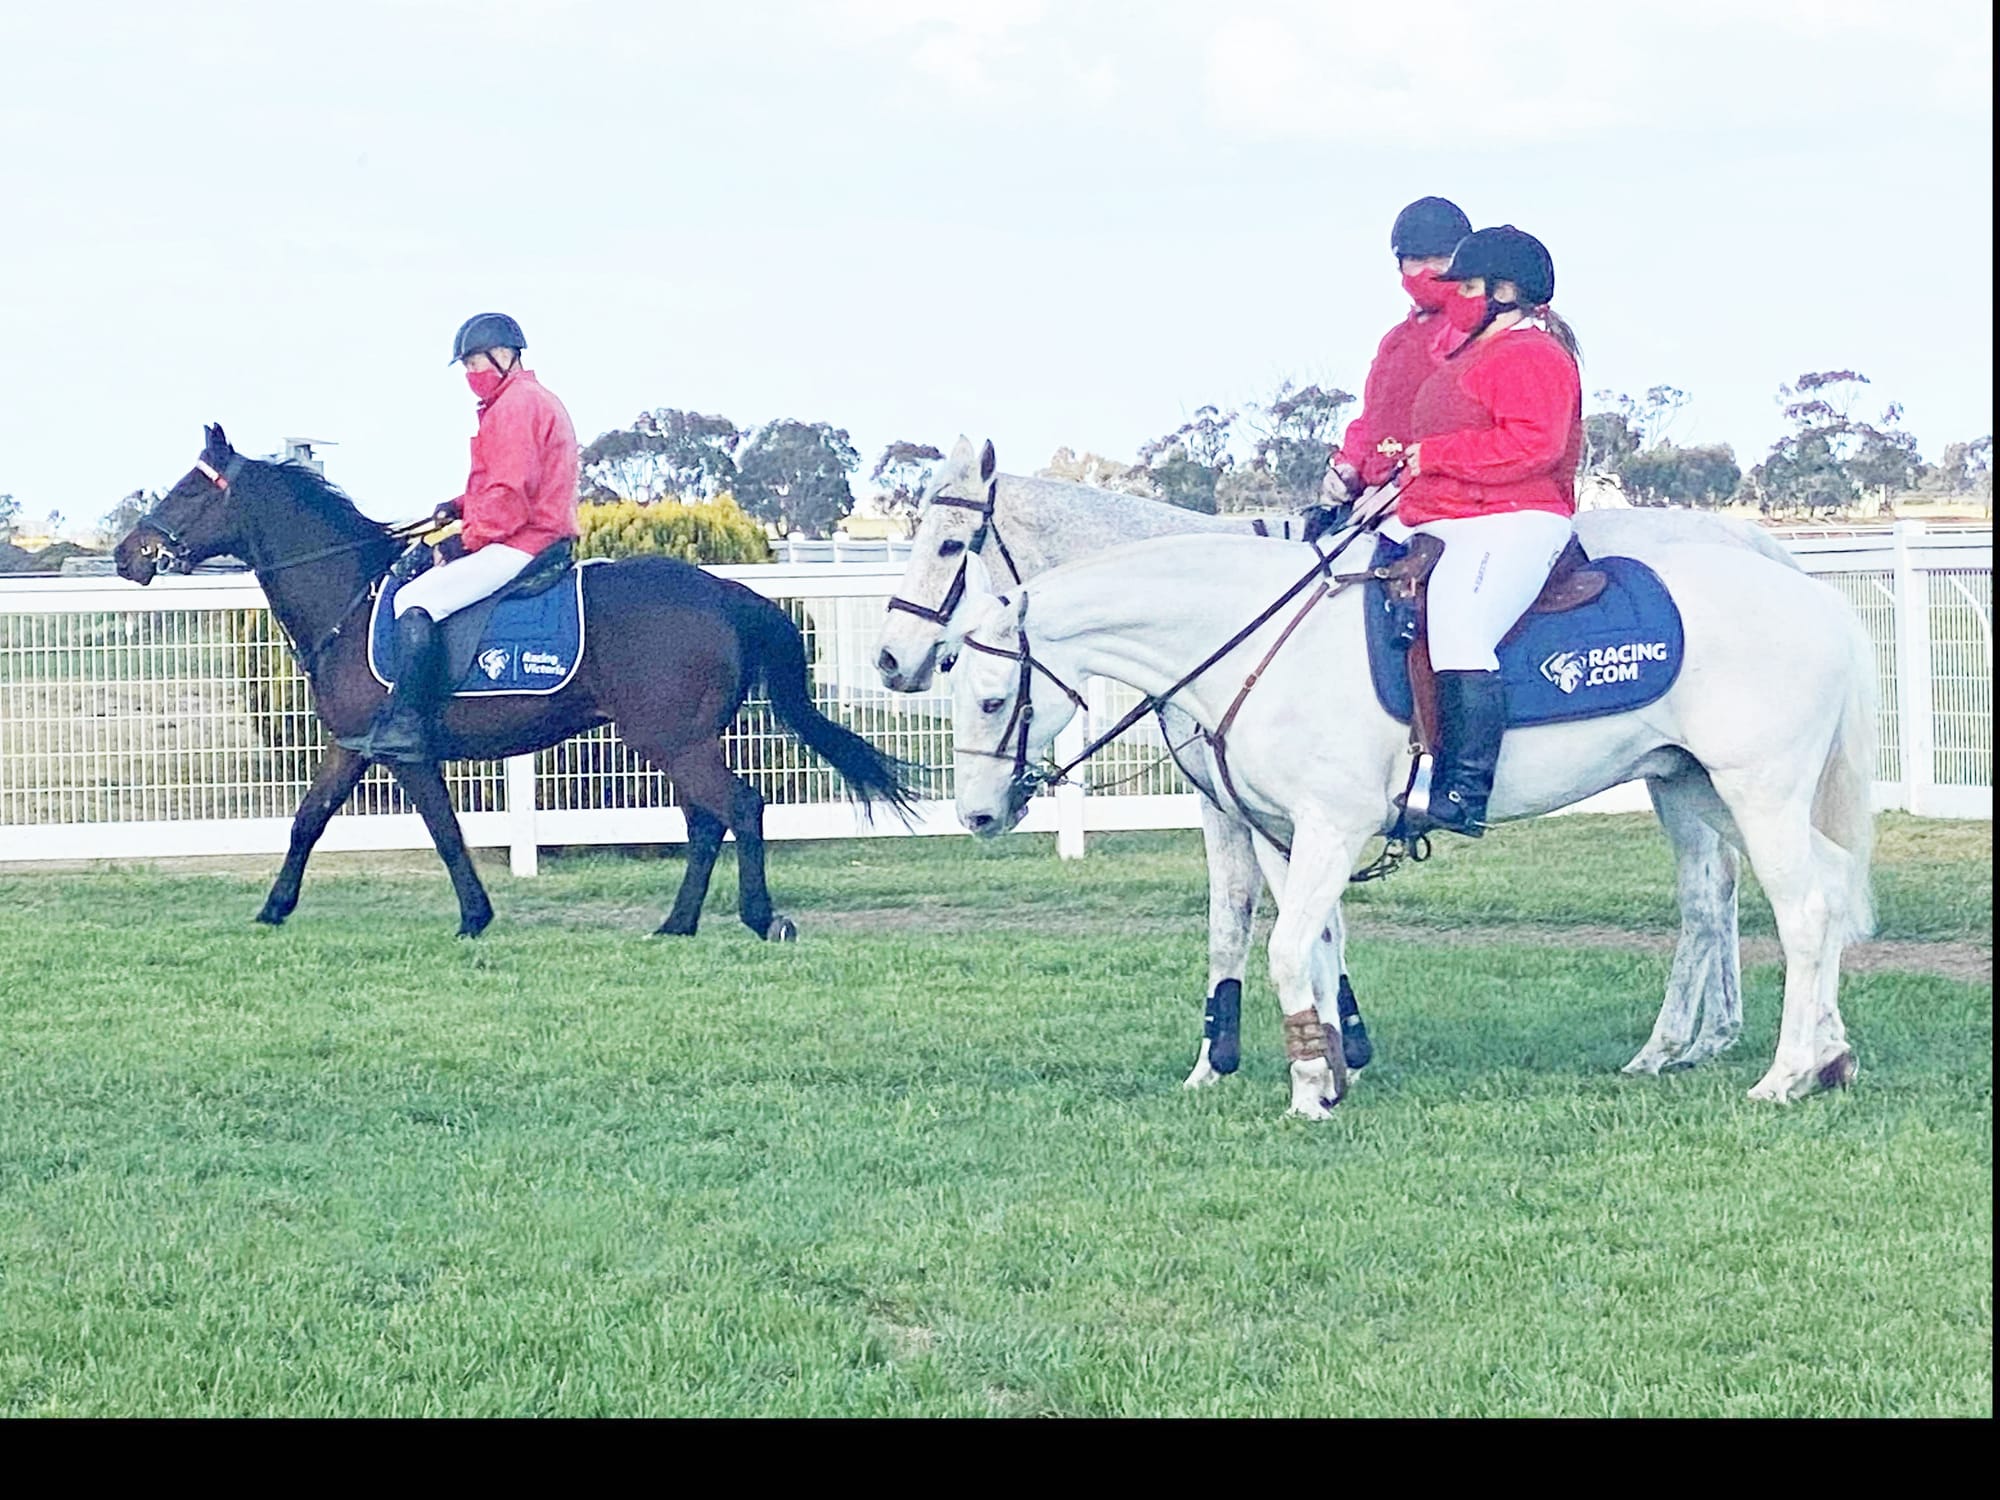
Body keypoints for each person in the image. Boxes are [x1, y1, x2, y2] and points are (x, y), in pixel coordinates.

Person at [1386, 225, 1584, 837]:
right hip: (1453, 515)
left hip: (1517, 518)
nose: (1459, 298)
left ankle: (1463, 789)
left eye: (1470, 286)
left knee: (1461, 629)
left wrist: (1433, 456)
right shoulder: (1469, 354)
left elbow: (1535, 445)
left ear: (1505, 293)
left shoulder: (1533, 354)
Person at [341, 312, 581, 762]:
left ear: (506, 355)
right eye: (468, 367)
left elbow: (509, 495)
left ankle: (409, 726)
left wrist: (458, 544)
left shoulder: (515, 407)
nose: (472, 375)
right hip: (532, 533)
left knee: (413, 602)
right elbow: (501, 483)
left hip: (525, 541)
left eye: (476, 364)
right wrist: (459, 506)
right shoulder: (526, 400)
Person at [1309, 196, 1473, 538]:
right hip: (1376, 493)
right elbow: (1373, 419)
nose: (1428, 270)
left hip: (1437, 498)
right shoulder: (1395, 342)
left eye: (1440, 259)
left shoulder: (1472, 334)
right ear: (1400, 265)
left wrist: (1404, 490)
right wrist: (1348, 466)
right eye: (1416, 260)